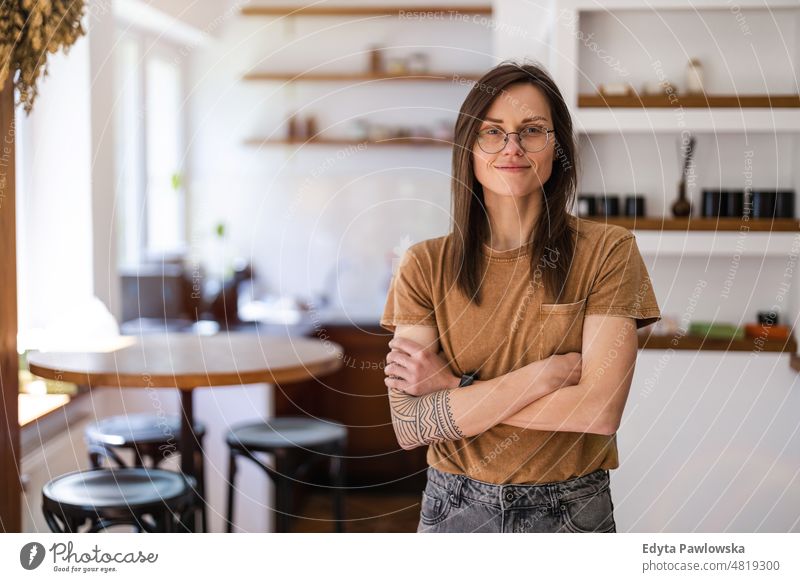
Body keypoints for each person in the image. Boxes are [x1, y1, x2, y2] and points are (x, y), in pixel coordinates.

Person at [379, 61, 661, 533]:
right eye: (493, 132)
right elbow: (411, 425)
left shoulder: (608, 251)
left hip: (571, 510)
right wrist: (542, 377)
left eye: (532, 130)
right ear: (469, 147)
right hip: (454, 506)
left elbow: (599, 411)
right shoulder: (423, 265)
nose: (512, 147)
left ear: (557, 146)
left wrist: (452, 388)